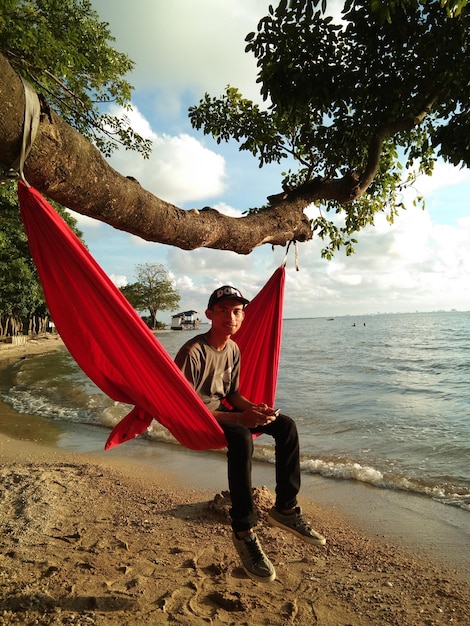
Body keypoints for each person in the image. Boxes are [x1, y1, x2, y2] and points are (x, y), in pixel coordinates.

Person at [174, 285, 326, 583]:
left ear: (243, 317)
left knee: (286, 426)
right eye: (223, 311)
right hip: (198, 418)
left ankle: (285, 508)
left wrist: (255, 409)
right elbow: (184, 406)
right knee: (242, 436)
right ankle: (243, 530)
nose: (231, 317)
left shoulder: (233, 349)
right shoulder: (193, 352)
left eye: (237, 312)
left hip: (225, 413)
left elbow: (233, 393)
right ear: (209, 315)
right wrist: (240, 418)